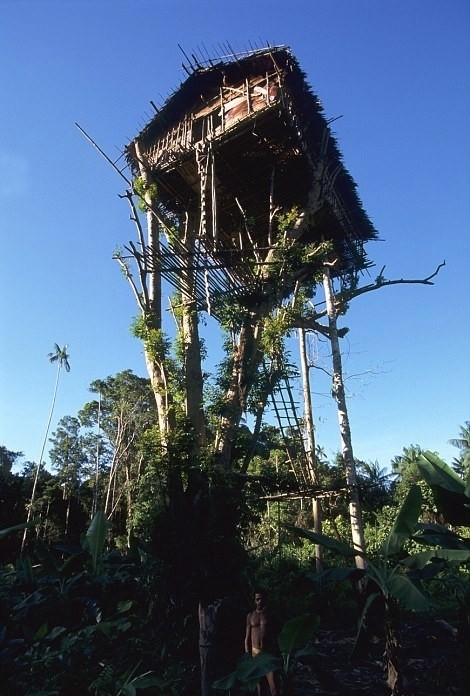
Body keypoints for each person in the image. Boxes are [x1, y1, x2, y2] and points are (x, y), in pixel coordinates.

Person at [245, 591, 278, 696]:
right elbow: (247, 639)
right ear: (254, 601)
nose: (259, 601)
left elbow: (275, 635)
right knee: (260, 688)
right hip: (256, 653)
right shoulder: (250, 616)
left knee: (274, 688)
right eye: (257, 599)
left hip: (268, 653)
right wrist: (248, 655)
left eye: (261, 599)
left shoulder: (270, 615)